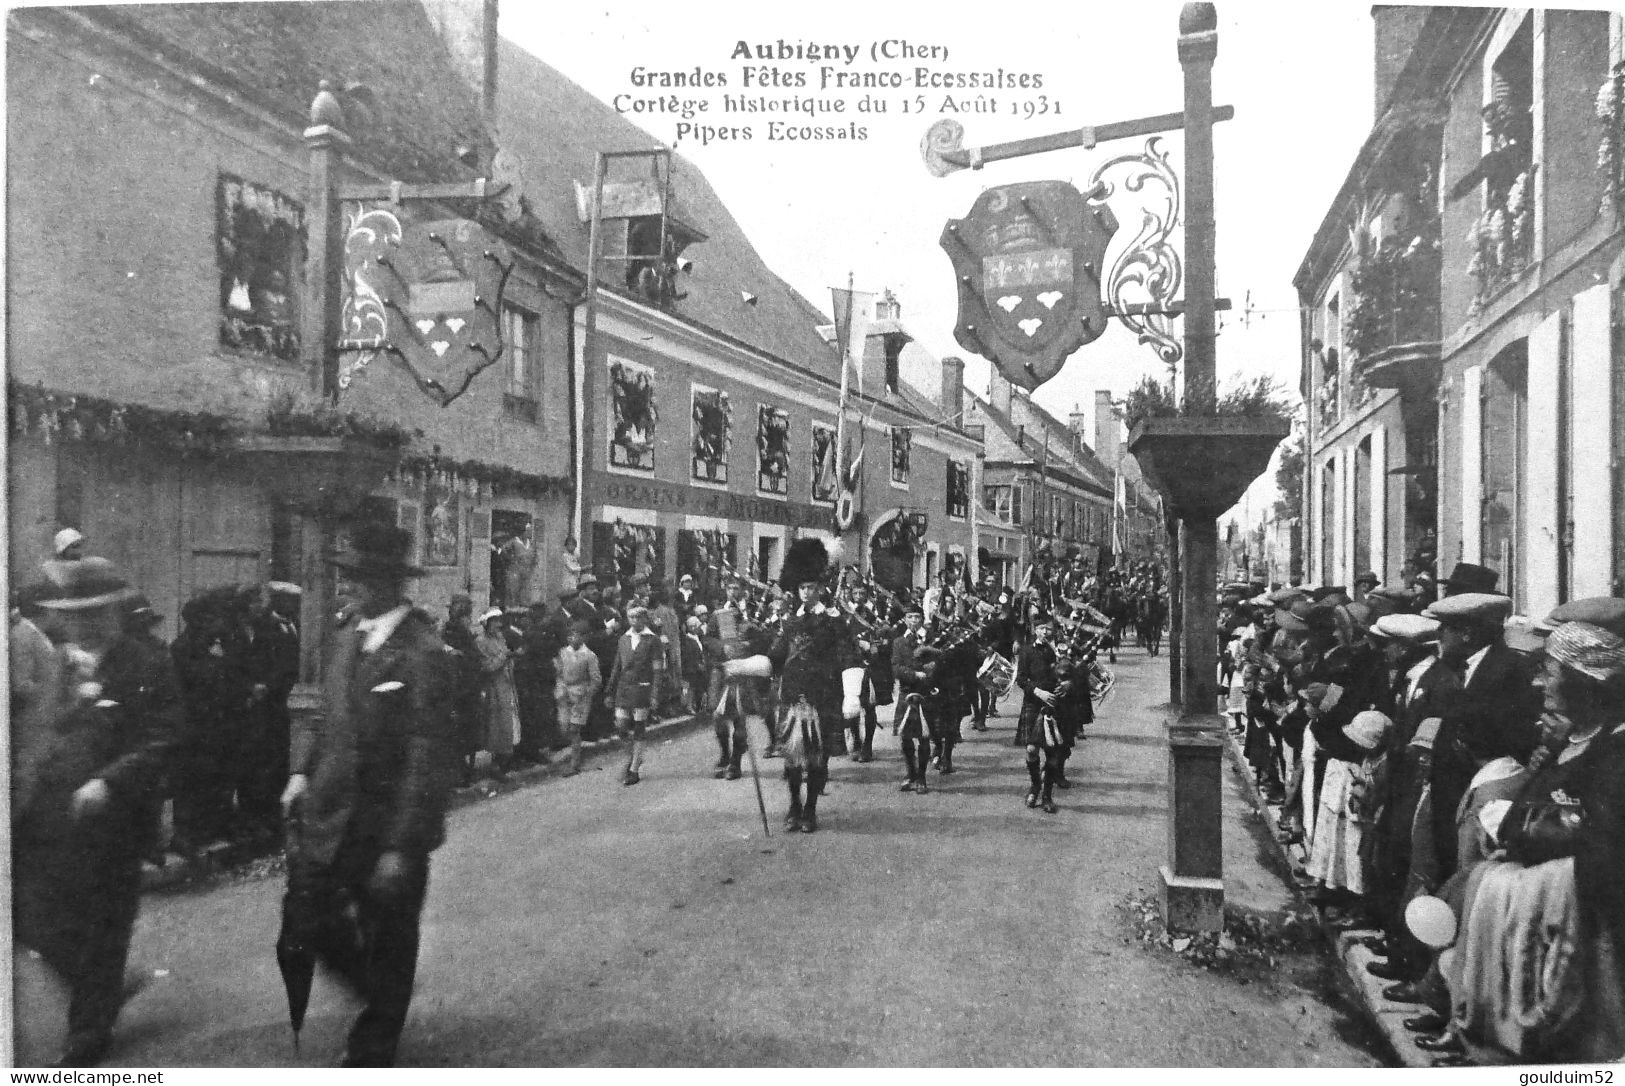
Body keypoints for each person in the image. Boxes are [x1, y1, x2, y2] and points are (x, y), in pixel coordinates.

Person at [278, 523, 455, 1067]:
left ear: (387, 582)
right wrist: (302, 773)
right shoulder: (346, 639)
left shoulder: (424, 652)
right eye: (345, 576)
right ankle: (374, 987)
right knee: (302, 927)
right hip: (330, 814)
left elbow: (429, 757)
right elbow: (331, 718)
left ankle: (375, 1044)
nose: (345, 587)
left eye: (356, 577)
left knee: (389, 933)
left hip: (385, 827)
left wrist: (402, 846)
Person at [13, 562, 181, 1067]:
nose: (80, 624)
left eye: (91, 613)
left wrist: (109, 780)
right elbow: (37, 732)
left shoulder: (146, 664)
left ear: (113, 612)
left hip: (115, 820)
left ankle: (87, 1036)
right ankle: (107, 988)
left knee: (105, 927)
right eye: (70, 614)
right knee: (27, 917)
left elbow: (165, 737)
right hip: (45, 817)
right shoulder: (59, 663)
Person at [765, 540, 861, 832]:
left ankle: (810, 810)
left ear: (821, 589)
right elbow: (775, 657)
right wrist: (743, 668)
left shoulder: (835, 622)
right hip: (793, 698)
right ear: (797, 590)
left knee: (817, 759)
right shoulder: (789, 623)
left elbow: (849, 656)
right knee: (792, 761)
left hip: (823, 698)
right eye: (802, 587)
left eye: (812, 587)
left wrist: (852, 696)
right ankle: (794, 806)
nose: (807, 592)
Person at [604, 603, 665, 786]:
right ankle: (633, 756)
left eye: (639, 617)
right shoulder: (623, 639)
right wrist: (609, 690)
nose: (635, 621)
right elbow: (617, 666)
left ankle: (634, 769)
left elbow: (658, 670)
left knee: (639, 727)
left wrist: (654, 694)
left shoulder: (652, 640)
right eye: (631, 617)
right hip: (624, 688)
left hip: (642, 688)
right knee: (621, 726)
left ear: (645, 619)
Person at [1014, 616, 1065, 813]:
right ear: (1035, 630)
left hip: (1053, 704)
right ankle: (1035, 785)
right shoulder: (1027, 651)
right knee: (1031, 750)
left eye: (1049, 629)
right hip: (1033, 703)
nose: (1045, 632)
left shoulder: (1057, 652)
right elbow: (1021, 678)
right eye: (1041, 629)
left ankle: (1047, 796)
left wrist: (1064, 685)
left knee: (1052, 754)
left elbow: (1067, 673)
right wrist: (1037, 691)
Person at [891, 604, 936, 794]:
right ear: (905, 619)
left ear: (922, 619)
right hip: (907, 693)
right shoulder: (899, 642)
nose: (914, 621)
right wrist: (914, 675)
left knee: (924, 738)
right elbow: (895, 667)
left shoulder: (931, 640)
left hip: (925, 693)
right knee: (906, 737)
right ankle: (910, 774)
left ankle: (922, 777)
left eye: (917, 617)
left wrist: (931, 670)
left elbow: (939, 663)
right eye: (910, 617)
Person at [440, 595, 481, 785]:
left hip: (467, 687)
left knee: (465, 730)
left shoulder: (461, 630)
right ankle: (458, 770)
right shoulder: (452, 630)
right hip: (460, 687)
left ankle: (462, 768)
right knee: (459, 730)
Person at [553, 619, 601, 776]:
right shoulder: (563, 653)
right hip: (564, 694)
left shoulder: (589, 656)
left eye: (576, 635)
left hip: (581, 695)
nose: (572, 639)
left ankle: (575, 763)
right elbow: (559, 674)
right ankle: (577, 753)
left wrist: (586, 695)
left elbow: (596, 680)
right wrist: (560, 689)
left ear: (584, 638)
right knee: (563, 726)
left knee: (575, 729)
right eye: (570, 635)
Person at [476, 607, 520, 774]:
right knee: (498, 723)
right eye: (494, 622)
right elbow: (487, 666)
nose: (497, 625)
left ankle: (507, 757)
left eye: (498, 622)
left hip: (507, 682)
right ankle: (498, 759)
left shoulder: (500, 637)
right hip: (494, 686)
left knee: (511, 720)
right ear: (486, 624)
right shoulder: (481, 641)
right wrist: (504, 657)